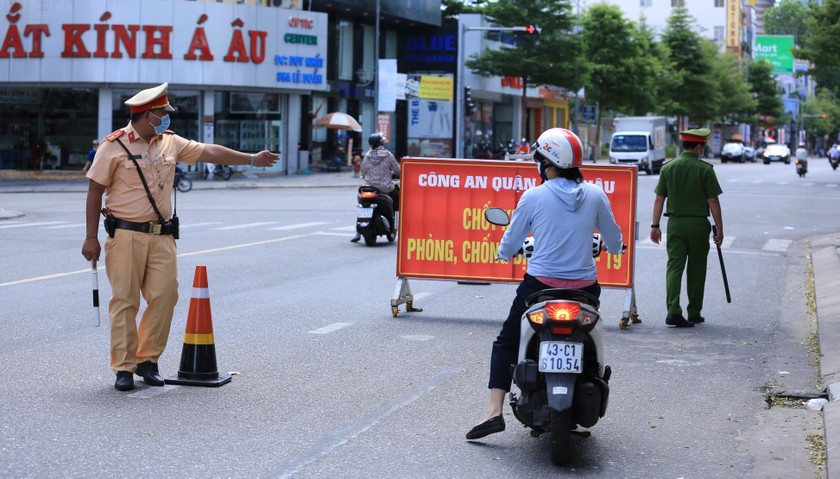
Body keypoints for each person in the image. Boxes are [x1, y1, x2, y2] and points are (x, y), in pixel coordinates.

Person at [80, 82, 279, 391]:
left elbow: (209, 152)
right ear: (147, 115)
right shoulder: (113, 146)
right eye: (162, 113)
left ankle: (148, 361)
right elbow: (94, 191)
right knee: (125, 301)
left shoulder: (169, 143)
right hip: (125, 234)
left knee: (165, 297)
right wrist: (90, 237)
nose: (166, 117)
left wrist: (251, 158)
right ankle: (123, 367)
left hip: (162, 236)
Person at [465, 128, 623, 440]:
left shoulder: (533, 196)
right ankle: (590, 376)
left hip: (539, 287)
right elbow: (615, 240)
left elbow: (509, 243)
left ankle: (494, 412)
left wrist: (505, 252)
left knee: (507, 343)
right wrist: (613, 248)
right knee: (592, 340)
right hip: (584, 290)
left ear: (547, 162)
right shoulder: (595, 194)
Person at [650, 128, 723, 328]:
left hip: (674, 224)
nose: (702, 150)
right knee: (697, 269)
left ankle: (673, 311)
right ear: (699, 146)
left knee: (674, 267)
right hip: (698, 225)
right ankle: (694, 312)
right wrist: (720, 229)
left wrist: (655, 225)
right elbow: (713, 201)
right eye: (702, 146)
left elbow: (659, 198)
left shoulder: (668, 168)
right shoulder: (705, 170)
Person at [350, 132, 400, 242]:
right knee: (398, 198)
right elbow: (398, 171)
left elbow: (363, 172)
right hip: (385, 188)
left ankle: (358, 233)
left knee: (363, 205)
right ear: (381, 143)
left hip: (368, 187)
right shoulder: (388, 155)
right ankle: (394, 224)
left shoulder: (367, 156)